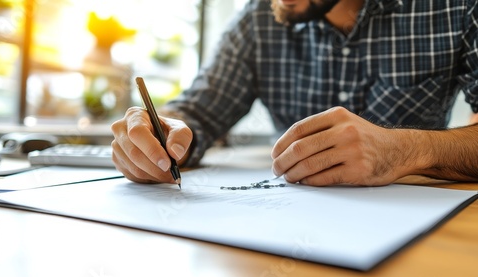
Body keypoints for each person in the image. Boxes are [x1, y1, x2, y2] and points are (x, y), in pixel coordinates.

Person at [111, 0, 478, 186]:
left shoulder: (456, 9)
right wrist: (158, 136)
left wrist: (405, 150)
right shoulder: (258, 19)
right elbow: (197, 113)